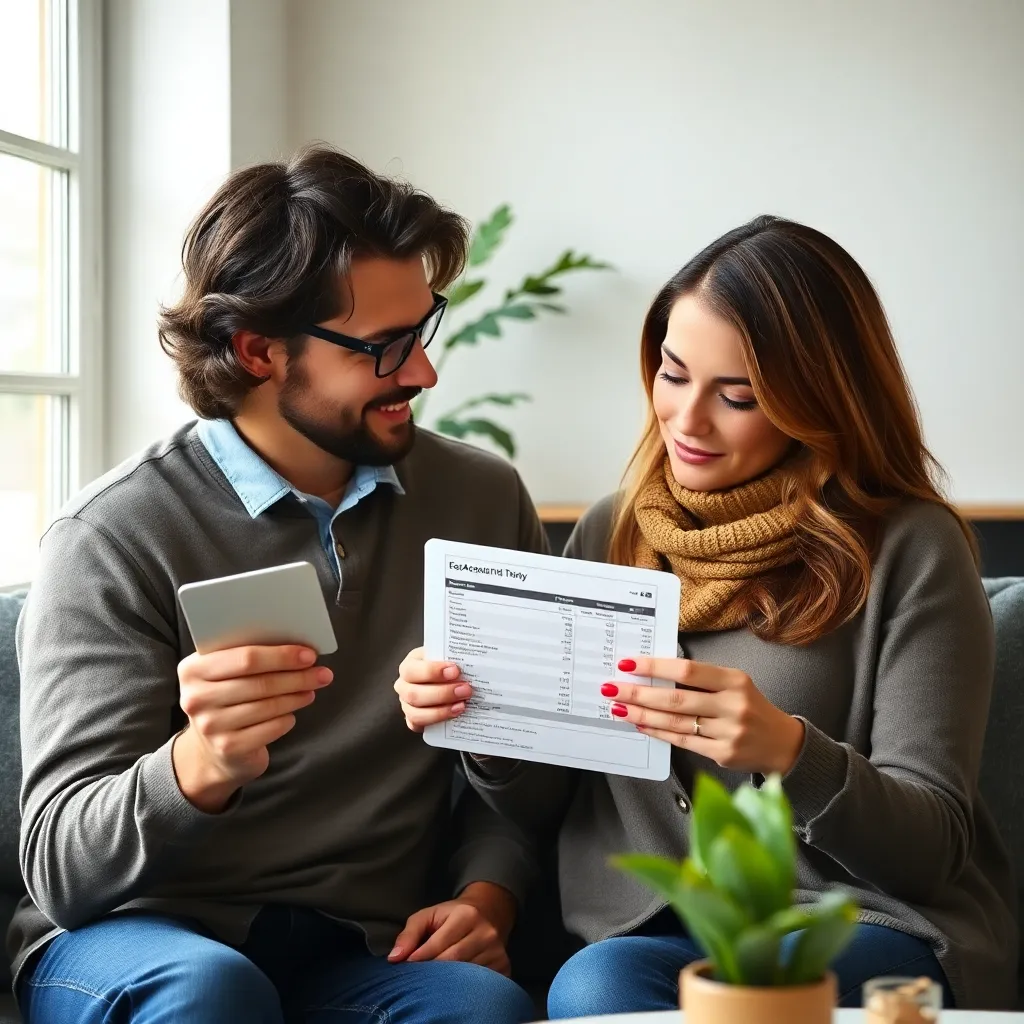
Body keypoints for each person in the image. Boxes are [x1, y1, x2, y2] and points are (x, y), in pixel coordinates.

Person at [395, 215, 1019, 1015]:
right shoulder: (610, 530)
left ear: (818, 400)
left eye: (739, 396)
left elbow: (935, 848)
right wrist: (483, 719)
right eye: (672, 372)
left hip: (855, 923)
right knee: (594, 983)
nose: (686, 419)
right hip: (641, 932)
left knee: (724, 989)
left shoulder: (910, 546)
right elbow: (543, 808)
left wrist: (790, 751)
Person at [13, 144, 544, 1024]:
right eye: (385, 348)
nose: (424, 373)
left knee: (481, 1008)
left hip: (369, 944)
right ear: (259, 351)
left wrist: (491, 895)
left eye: (425, 330)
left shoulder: (479, 500)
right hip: (144, 935)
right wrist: (200, 764)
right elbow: (65, 870)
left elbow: (525, 778)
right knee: (211, 994)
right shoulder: (112, 535)